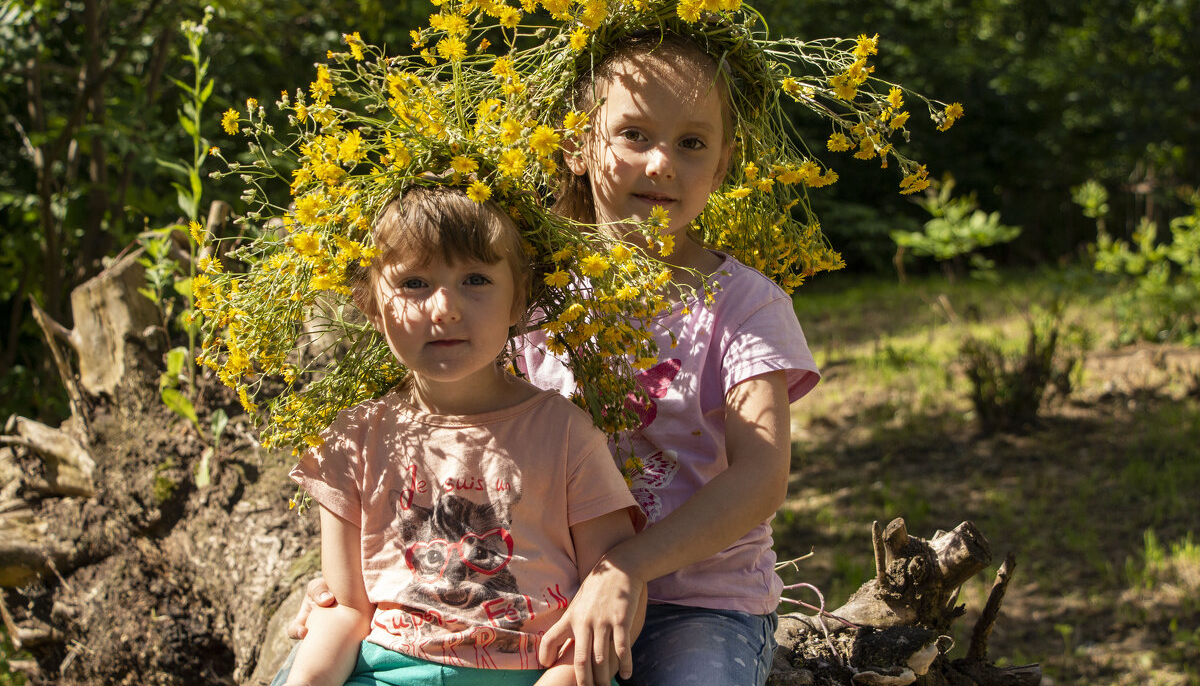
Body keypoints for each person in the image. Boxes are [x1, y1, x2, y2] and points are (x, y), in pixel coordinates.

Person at [288, 33, 820, 686]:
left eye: (691, 143)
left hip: (697, 601)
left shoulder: (745, 306)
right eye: (633, 134)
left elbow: (760, 479)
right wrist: (367, 581)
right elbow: (455, 429)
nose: (661, 164)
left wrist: (624, 567)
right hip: (537, 602)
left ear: (722, 162)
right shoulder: (528, 289)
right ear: (576, 146)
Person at [279, 186, 644, 686]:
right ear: (369, 303)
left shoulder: (565, 435)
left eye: (475, 279)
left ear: (520, 297)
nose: (445, 307)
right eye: (414, 282)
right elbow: (344, 611)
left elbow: (614, 598)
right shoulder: (351, 440)